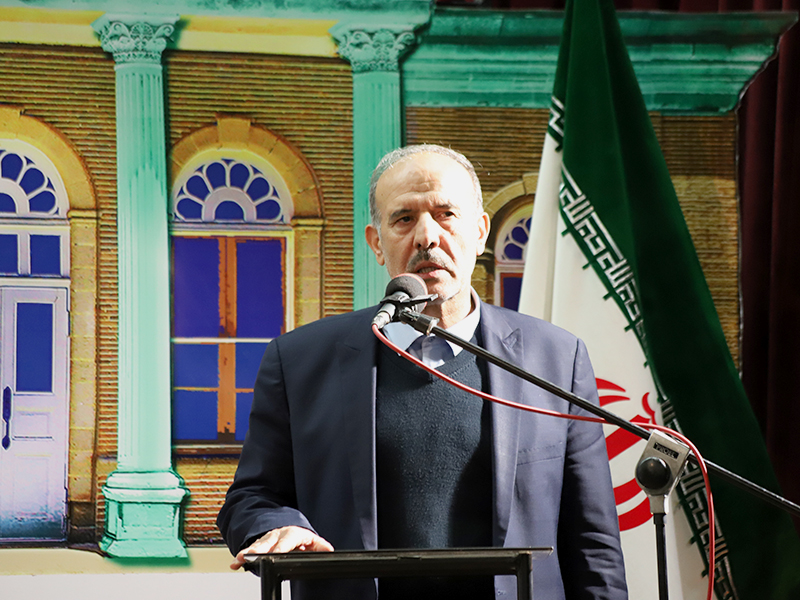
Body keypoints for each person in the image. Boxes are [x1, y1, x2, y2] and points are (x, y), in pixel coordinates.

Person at [217, 144, 628, 600]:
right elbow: (251, 498)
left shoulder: (556, 359)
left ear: (480, 232)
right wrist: (278, 526)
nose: (427, 236)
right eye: (404, 218)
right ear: (377, 243)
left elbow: (593, 546)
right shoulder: (299, 360)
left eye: (446, 214)